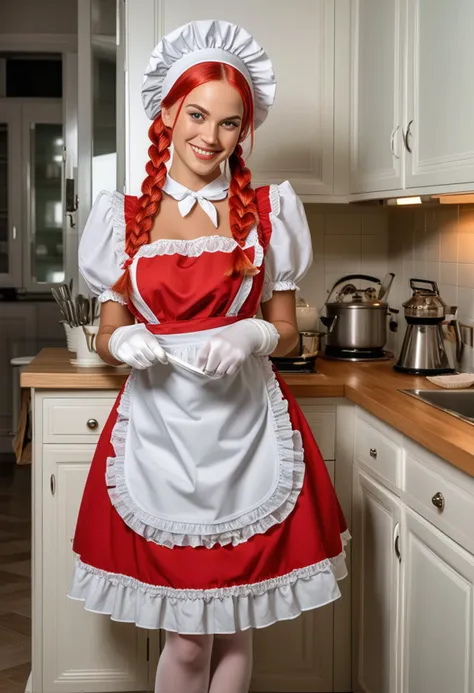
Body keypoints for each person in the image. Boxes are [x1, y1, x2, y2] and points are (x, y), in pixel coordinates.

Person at [68, 19, 349, 693]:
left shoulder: (268, 210)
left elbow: (288, 331)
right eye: (198, 114)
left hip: (246, 428)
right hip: (161, 434)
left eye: (230, 123)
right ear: (167, 110)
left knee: (234, 624)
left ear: (244, 132)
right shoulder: (123, 215)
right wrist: (123, 339)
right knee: (189, 643)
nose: (210, 136)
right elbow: (107, 330)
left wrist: (254, 335)